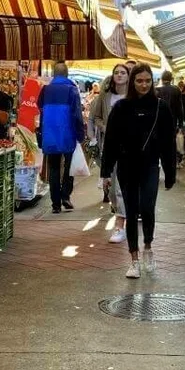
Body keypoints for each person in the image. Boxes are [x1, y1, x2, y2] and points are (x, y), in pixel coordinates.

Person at [100, 63, 177, 279]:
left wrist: (170, 173)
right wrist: (105, 172)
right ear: (133, 82)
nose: (143, 85)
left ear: (153, 82)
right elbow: (111, 142)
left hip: (151, 165)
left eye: (147, 80)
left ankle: (148, 248)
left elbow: (168, 143)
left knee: (148, 208)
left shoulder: (161, 108)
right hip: (126, 167)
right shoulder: (121, 108)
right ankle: (134, 259)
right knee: (131, 211)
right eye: (139, 81)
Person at [88, 63, 131, 244]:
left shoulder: (134, 96)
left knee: (120, 186)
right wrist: (104, 128)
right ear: (112, 76)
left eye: (123, 72)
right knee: (112, 188)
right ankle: (122, 211)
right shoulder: (105, 96)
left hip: (129, 147)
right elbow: (95, 116)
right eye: (116, 72)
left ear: (128, 76)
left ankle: (119, 227)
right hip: (110, 145)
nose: (119, 75)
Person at [37, 62, 85, 214]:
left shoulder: (45, 89)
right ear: (67, 74)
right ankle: (65, 196)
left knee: (53, 167)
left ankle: (55, 204)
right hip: (68, 133)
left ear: (53, 74)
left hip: (49, 134)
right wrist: (80, 134)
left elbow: (39, 108)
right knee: (69, 167)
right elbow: (77, 114)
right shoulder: (72, 89)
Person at [154, 70, 185, 163]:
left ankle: (158, 162)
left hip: (158, 123)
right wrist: (180, 124)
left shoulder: (157, 90)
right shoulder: (176, 90)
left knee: (158, 144)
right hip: (172, 123)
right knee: (170, 146)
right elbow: (180, 108)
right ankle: (170, 162)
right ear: (171, 79)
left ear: (162, 79)